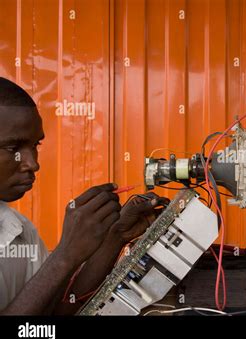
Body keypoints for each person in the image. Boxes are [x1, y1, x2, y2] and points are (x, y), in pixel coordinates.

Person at [0, 77, 164, 315]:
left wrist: (115, 236)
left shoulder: (20, 230)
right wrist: (66, 254)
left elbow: (54, 311)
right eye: (12, 148)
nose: (33, 164)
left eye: (35, 145)